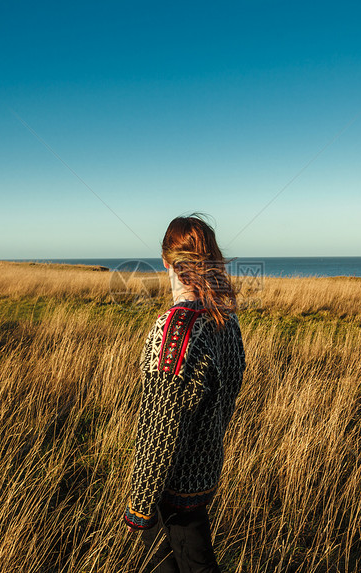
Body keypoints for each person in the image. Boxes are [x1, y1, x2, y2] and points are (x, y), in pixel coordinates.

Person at [123, 215, 246, 572]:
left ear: (166, 262)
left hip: (169, 490)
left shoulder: (175, 329)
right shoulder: (224, 319)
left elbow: (161, 431)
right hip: (203, 476)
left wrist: (141, 505)